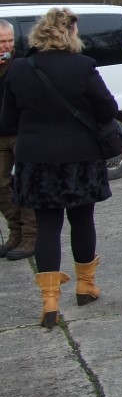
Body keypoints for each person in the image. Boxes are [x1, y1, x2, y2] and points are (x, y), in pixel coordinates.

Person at [0, 9, 118, 327]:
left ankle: (50, 301)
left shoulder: (19, 68)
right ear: (71, 33)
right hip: (80, 158)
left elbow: (7, 120)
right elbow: (108, 109)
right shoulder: (83, 66)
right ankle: (85, 286)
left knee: (47, 227)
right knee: (82, 221)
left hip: (35, 159)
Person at [0, 20, 37, 261]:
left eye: (10, 40)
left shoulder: (23, 62)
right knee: (1, 184)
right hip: (0, 135)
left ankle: (30, 236)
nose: (7, 45)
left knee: (25, 184)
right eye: (2, 41)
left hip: (21, 132)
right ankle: (16, 230)